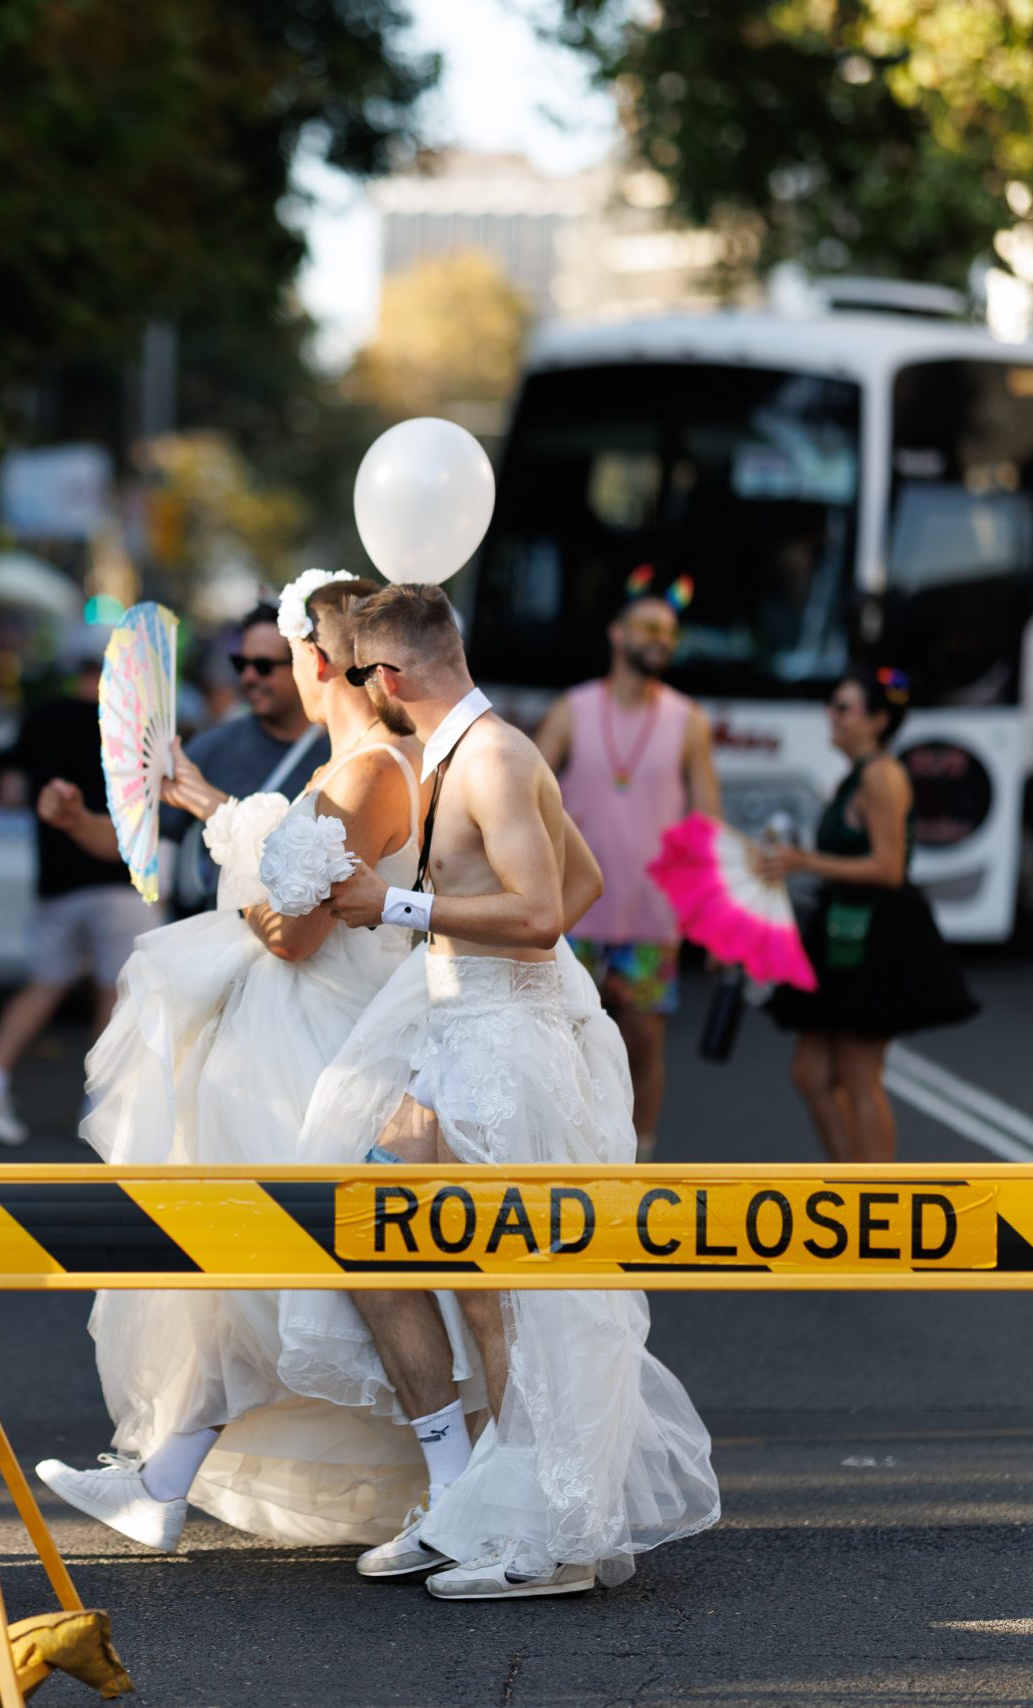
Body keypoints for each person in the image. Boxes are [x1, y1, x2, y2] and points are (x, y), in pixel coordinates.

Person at [32, 575, 461, 1554]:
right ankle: (162, 1480)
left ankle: (455, 1485)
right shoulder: (361, 765)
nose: (278, 666)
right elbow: (292, 876)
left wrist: (245, 861)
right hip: (298, 1039)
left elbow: (294, 931)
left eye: (288, 647)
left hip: (325, 1047)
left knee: (338, 1272)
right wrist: (201, 801)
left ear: (322, 660)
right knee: (246, 1271)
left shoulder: (369, 770)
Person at [315, 583, 719, 1601]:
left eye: (368, 680)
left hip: (501, 1050)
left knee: (515, 1298)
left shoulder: (490, 754)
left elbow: (543, 911)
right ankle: (478, 1495)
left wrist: (398, 902)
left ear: (390, 676)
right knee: (373, 1233)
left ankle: (555, 1530)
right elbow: (578, 881)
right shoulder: (469, 752)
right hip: (455, 1039)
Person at [0, 627, 163, 1147]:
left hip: (57, 880)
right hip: (119, 879)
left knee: (45, 982)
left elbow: (9, 793)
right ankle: (103, 1100)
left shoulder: (40, 718)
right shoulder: (130, 723)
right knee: (114, 992)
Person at [533, 577, 720, 1161]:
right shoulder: (572, 708)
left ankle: (638, 1156)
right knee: (562, 1038)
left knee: (643, 1041)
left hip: (650, 915)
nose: (660, 638)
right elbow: (525, 792)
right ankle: (566, 1150)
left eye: (668, 632)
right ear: (618, 635)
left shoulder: (689, 720)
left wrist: (714, 914)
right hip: (574, 911)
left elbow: (706, 822)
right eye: (647, 628)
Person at [757, 669, 978, 1163]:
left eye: (843, 708)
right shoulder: (854, 776)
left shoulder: (882, 775)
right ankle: (849, 1182)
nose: (830, 717)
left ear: (878, 720)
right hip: (839, 925)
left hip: (876, 933)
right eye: (832, 706)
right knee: (810, 1074)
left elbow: (888, 867)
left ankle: (878, 1198)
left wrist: (802, 862)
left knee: (860, 1077)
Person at [162, 603, 330, 915]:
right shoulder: (212, 746)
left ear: (304, 665)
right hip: (215, 935)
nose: (249, 676)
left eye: (264, 665)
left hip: (295, 938)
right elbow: (152, 831)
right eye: (241, 663)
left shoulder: (338, 758)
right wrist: (77, 820)